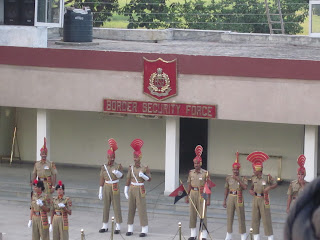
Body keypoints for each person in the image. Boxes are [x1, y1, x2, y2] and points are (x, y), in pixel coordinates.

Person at [247, 151, 277, 240]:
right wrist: (251, 190)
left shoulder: (267, 177)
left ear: (258, 170)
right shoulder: (253, 178)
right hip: (255, 199)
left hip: (264, 199)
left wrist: (269, 188)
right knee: (255, 219)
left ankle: (270, 237)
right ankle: (256, 237)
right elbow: (252, 186)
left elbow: (275, 184)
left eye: (254, 169)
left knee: (266, 219)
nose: (253, 171)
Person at [124, 139, 151, 237]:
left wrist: (143, 176)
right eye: (134, 157)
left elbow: (149, 179)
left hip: (140, 188)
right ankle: (130, 228)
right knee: (131, 208)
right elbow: (128, 178)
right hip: (132, 188)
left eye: (136, 157)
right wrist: (125, 189)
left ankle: (144, 229)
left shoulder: (145, 167)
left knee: (141, 209)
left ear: (140, 157)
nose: (135, 159)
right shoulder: (130, 167)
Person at [98, 138, 123, 234]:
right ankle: (104, 225)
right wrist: (100, 190)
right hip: (106, 186)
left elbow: (123, 176)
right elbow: (101, 178)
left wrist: (118, 174)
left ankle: (118, 226)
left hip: (115, 185)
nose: (112, 158)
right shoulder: (103, 167)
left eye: (113, 157)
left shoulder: (118, 166)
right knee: (106, 206)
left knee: (116, 206)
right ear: (107, 156)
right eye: (110, 156)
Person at [186, 145, 211, 240]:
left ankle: (204, 235)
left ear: (201, 163)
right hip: (193, 193)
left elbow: (209, 187)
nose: (196, 165)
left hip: (202, 194)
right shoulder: (191, 173)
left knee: (202, 214)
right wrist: (187, 195)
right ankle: (193, 234)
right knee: (192, 214)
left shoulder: (205, 173)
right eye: (194, 163)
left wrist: (208, 199)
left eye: (197, 163)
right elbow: (189, 184)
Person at [32, 137, 58, 224]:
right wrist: (33, 183)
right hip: (39, 184)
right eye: (42, 153)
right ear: (40, 154)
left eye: (45, 153)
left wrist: (53, 186)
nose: (44, 155)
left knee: (49, 201)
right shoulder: (37, 164)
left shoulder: (50, 164)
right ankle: (39, 217)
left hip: (47, 185)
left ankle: (51, 222)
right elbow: (34, 174)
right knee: (39, 200)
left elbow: (54, 174)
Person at [223, 152, 248, 240]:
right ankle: (229, 234)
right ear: (232, 169)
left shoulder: (243, 178)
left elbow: (245, 187)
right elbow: (226, 188)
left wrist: (239, 180)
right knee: (229, 216)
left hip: (239, 197)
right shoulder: (229, 178)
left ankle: (243, 235)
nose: (235, 171)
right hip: (230, 196)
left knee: (241, 216)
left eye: (237, 170)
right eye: (234, 169)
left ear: (239, 170)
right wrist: (224, 200)